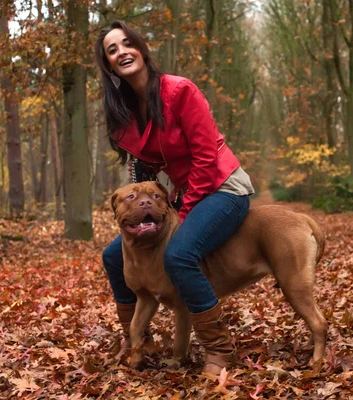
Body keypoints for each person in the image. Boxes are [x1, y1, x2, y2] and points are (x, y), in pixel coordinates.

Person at [95, 20, 255, 375]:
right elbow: (144, 176)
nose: (121, 51)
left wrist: (184, 208)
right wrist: (139, 202)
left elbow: (205, 156)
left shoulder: (180, 91)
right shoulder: (123, 116)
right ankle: (135, 337)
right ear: (108, 65)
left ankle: (218, 349)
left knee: (179, 254)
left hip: (224, 186)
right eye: (112, 49)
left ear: (141, 49)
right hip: (188, 193)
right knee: (111, 255)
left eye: (126, 43)